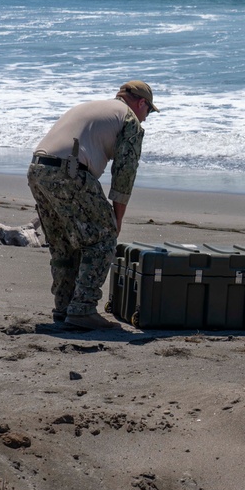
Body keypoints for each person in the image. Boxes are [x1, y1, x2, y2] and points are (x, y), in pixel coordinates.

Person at [27, 81, 158, 330]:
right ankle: (83, 309)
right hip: (68, 172)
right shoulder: (130, 119)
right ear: (141, 103)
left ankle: (64, 308)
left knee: (64, 243)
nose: (146, 118)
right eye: (149, 112)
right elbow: (125, 173)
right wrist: (116, 220)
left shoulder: (96, 107)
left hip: (37, 169)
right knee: (103, 237)